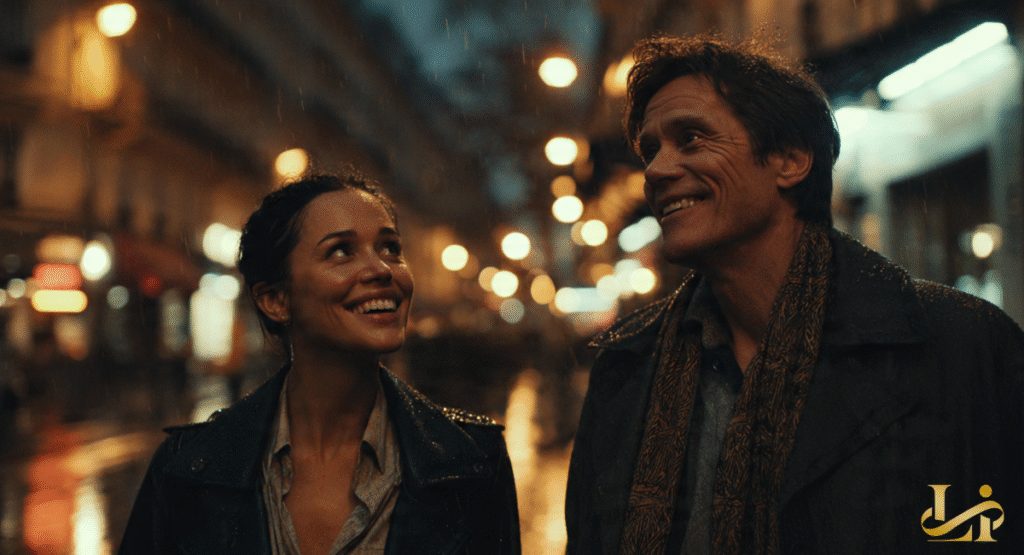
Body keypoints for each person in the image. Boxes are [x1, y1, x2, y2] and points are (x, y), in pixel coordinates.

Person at [565, 33, 1024, 555]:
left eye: (691, 139)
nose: (656, 170)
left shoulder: (960, 349)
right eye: (651, 150)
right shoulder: (627, 370)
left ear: (790, 158)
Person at [119, 173, 521, 555]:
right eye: (341, 251)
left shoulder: (471, 463)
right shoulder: (188, 468)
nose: (382, 269)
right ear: (276, 300)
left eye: (390, 248)